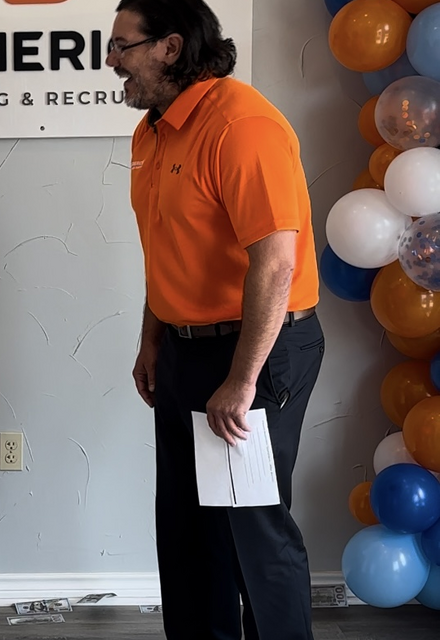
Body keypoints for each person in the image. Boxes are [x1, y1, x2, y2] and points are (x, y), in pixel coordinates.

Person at [107, 2, 324, 639]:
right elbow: (165, 246)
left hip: (255, 350)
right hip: (181, 350)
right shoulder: (151, 131)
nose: (110, 60)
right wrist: (152, 340)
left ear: (170, 48)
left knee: (252, 531)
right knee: (186, 529)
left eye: (122, 45)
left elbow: (276, 265)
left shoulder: (242, 125)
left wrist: (242, 379)